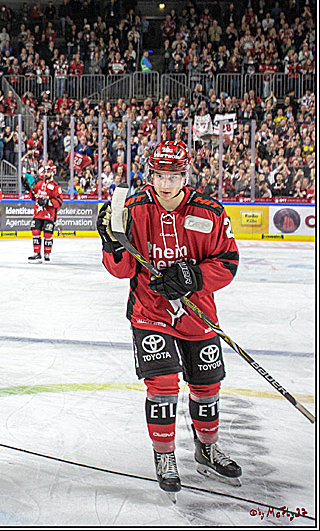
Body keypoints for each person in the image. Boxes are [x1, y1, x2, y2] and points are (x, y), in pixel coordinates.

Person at [97, 141, 241, 500]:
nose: (165, 183)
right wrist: (113, 244)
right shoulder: (132, 209)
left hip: (198, 312)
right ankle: (165, 456)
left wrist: (194, 277)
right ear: (151, 173)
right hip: (150, 313)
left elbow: (228, 262)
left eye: (173, 175)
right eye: (160, 175)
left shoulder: (209, 211)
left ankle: (207, 449)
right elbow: (123, 270)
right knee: (161, 387)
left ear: (184, 175)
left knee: (207, 386)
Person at [25, 161, 64, 263]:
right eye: (45, 171)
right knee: (35, 232)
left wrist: (48, 202)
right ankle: (37, 254)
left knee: (47, 234)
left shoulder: (56, 186)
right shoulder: (40, 183)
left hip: (49, 214)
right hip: (38, 213)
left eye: (48, 171)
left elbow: (59, 201)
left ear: (53, 173)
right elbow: (33, 196)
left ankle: (47, 255)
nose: (46, 173)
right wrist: (29, 189)